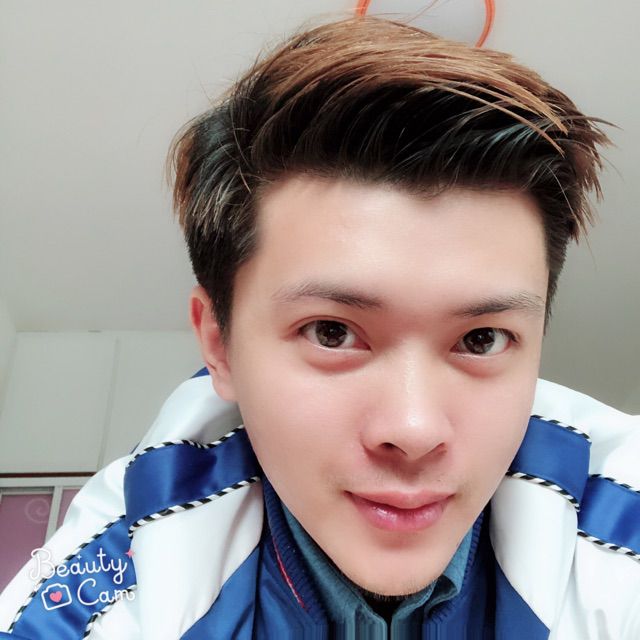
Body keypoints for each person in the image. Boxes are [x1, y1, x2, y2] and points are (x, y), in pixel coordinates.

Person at [1, 14, 639, 640]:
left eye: (481, 340)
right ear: (219, 345)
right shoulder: (114, 589)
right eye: (331, 332)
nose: (413, 430)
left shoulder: (619, 530)